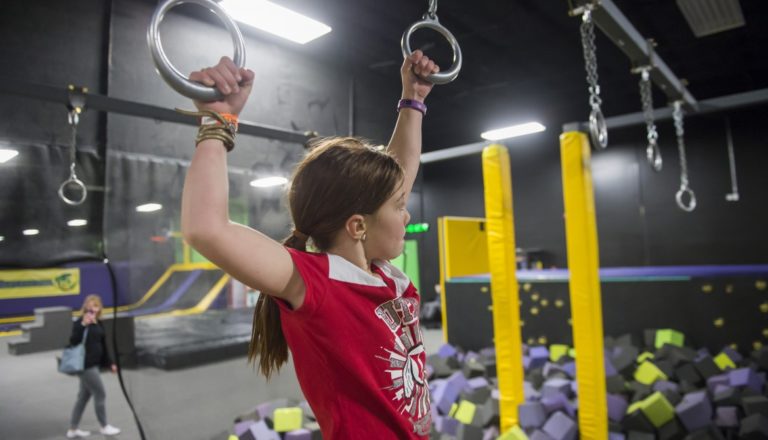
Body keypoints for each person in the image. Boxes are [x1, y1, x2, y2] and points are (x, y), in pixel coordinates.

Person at [181, 51, 439, 439]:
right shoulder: (318, 283)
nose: (406, 214)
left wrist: (413, 100)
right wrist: (218, 121)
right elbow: (207, 229)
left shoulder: (381, 272)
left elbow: (400, 170)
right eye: (399, 206)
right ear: (357, 226)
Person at [66, 294, 121, 438]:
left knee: (83, 397)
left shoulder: (99, 323)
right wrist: (84, 324)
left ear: (99, 308)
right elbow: (73, 341)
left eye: (95, 306)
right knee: (100, 393)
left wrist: (110, 363)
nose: (92, 309)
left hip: (94, 364)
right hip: (85, 366)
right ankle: (104, 426)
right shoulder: (80, 323)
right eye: (90, 306)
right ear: (85, 307)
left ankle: (73, 429)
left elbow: (103, 345)